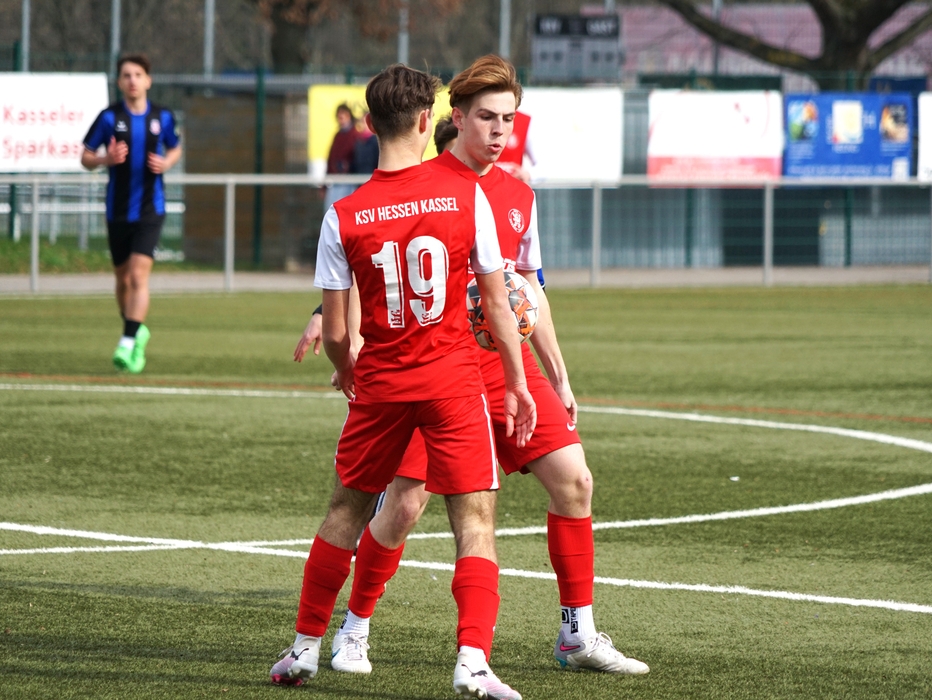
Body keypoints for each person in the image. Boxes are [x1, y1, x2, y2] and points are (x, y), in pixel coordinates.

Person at [294, 55, 649, 678]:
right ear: (451, 120)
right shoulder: (425, 177)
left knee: (576, 481)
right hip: (438, 364)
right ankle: (355, 627)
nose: (499, 132)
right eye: (487, 118)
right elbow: (380, 256)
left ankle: (577, 633)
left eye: (509, 119)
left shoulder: (516, 196)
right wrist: (326, 315)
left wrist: (557, 374)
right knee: (402, 507)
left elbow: (526, 291)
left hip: (498, 360)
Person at [270, 63, 536, 700]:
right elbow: (498, 305)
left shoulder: (344, 214)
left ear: (367, 124)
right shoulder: (465, 194)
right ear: (427, 121)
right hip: (451, 383)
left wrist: (345, 372)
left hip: (382, 387)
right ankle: (472, 660)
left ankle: (307, 646)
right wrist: (518, 382)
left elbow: (337, 330)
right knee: (474, 523)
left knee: (344, 512)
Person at [82, 53, 182, 374]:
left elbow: (175, 146)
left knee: (139, 276)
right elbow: (85, 156)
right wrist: (105, 160)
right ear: (119, 82)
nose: (132, 80)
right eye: (126, 75)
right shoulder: (109, 118)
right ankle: (136, 329)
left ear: (148, 80)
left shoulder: (162, 117)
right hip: (117, 210)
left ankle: (126, 341)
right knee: (122, 280)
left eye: (138, 74)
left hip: (151, 209)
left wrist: (167, 162)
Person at [323, 103, 360, 210]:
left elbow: (358, 159)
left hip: (349, 181)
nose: (341, 119)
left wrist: (348, 167)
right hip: (335, 181)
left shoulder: (355, 135)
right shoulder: (337, 136)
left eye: (343, 116)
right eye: (339, 117)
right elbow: (331, 159)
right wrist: (324, 185)